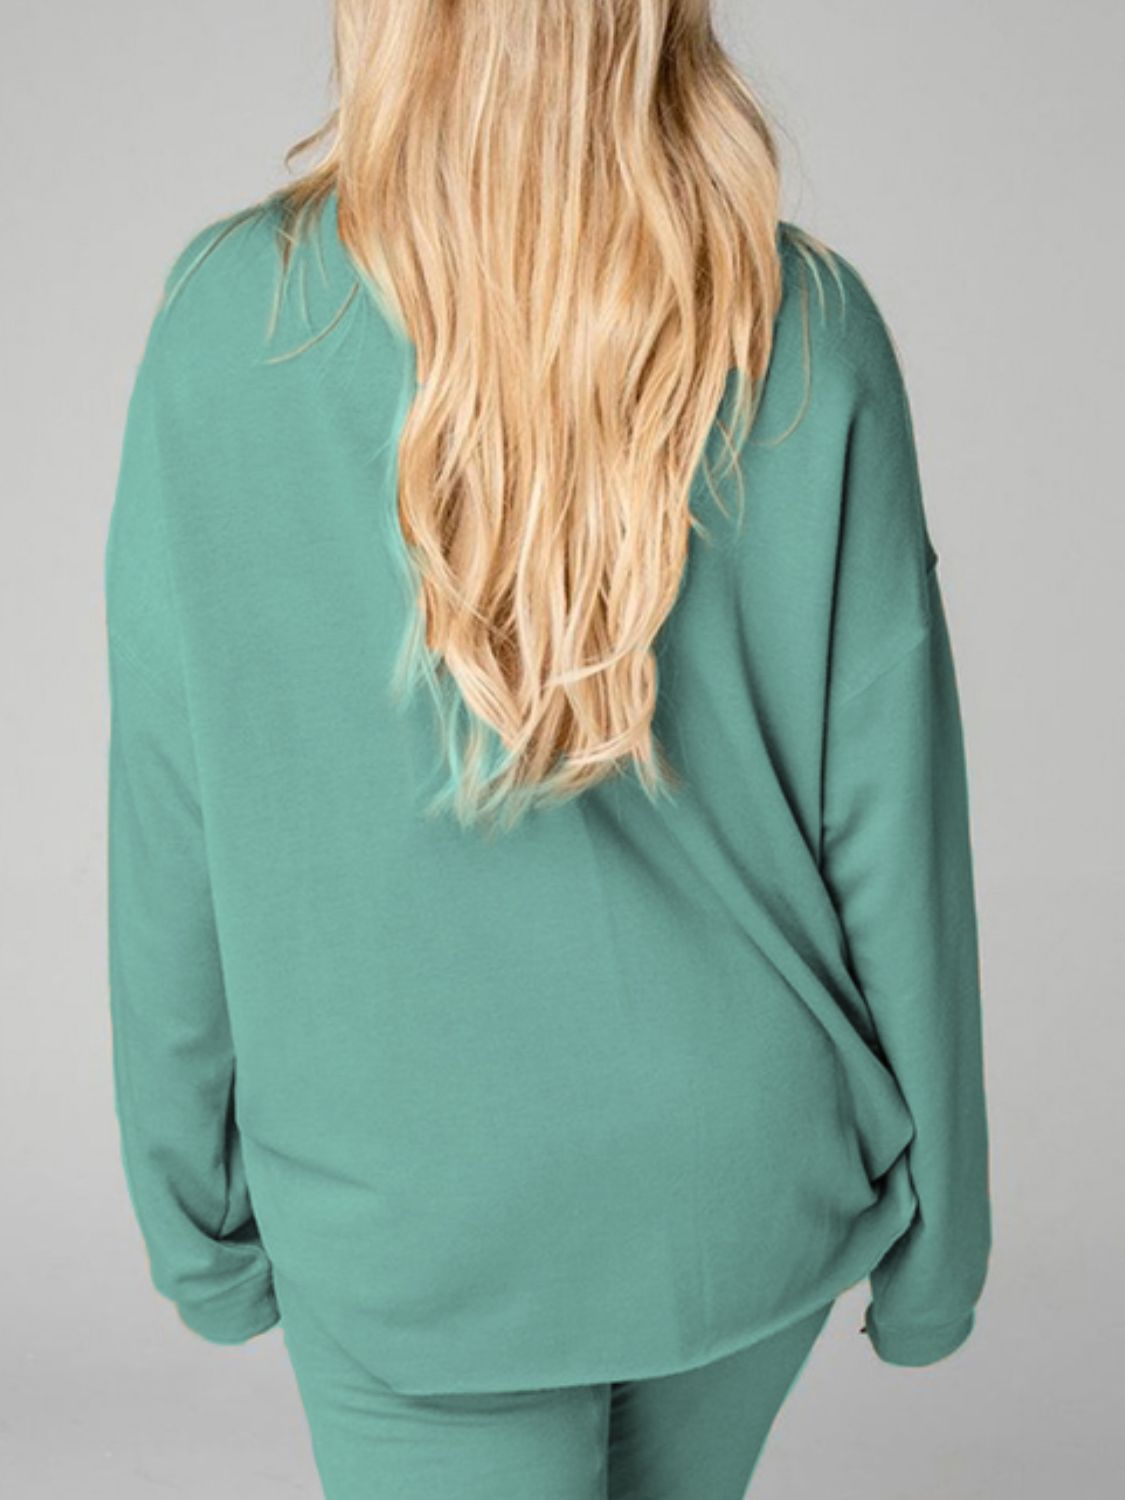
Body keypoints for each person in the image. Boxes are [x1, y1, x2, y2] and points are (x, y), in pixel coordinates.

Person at [102, 2, 992, 1495]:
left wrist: (194, 1218)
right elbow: (896, 835)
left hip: (414, 1228)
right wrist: (941, 1245)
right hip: (737, 1189)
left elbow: (173, 818)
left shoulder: (229, 325)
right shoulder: (802, 326)